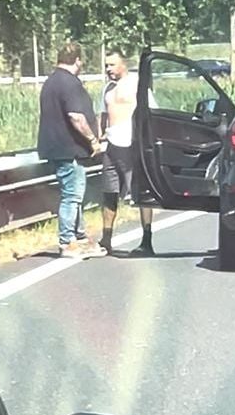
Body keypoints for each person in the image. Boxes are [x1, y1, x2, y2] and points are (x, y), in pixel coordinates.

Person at [36, 42, 107, 259]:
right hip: (69, 149)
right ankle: (67, 241)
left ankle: (80, 237)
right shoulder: (69, 83)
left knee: (75, 194)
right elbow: (76, 116)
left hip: (58, 148)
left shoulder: (51, 82)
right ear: (78, 60)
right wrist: (93, 140)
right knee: (72, 196)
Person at [97, 51, 154, 257]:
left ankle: (147, 241)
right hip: (111, 146)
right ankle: (106, 238)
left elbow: (151, 112)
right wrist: (98, 138)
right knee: (109, 193)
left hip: (132, 145)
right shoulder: (108, 88)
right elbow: (103, 115)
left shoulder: (137, 84)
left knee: (140, 194)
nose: (108, 69)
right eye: (106, 65)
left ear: (123, 65)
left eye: (112, 65)